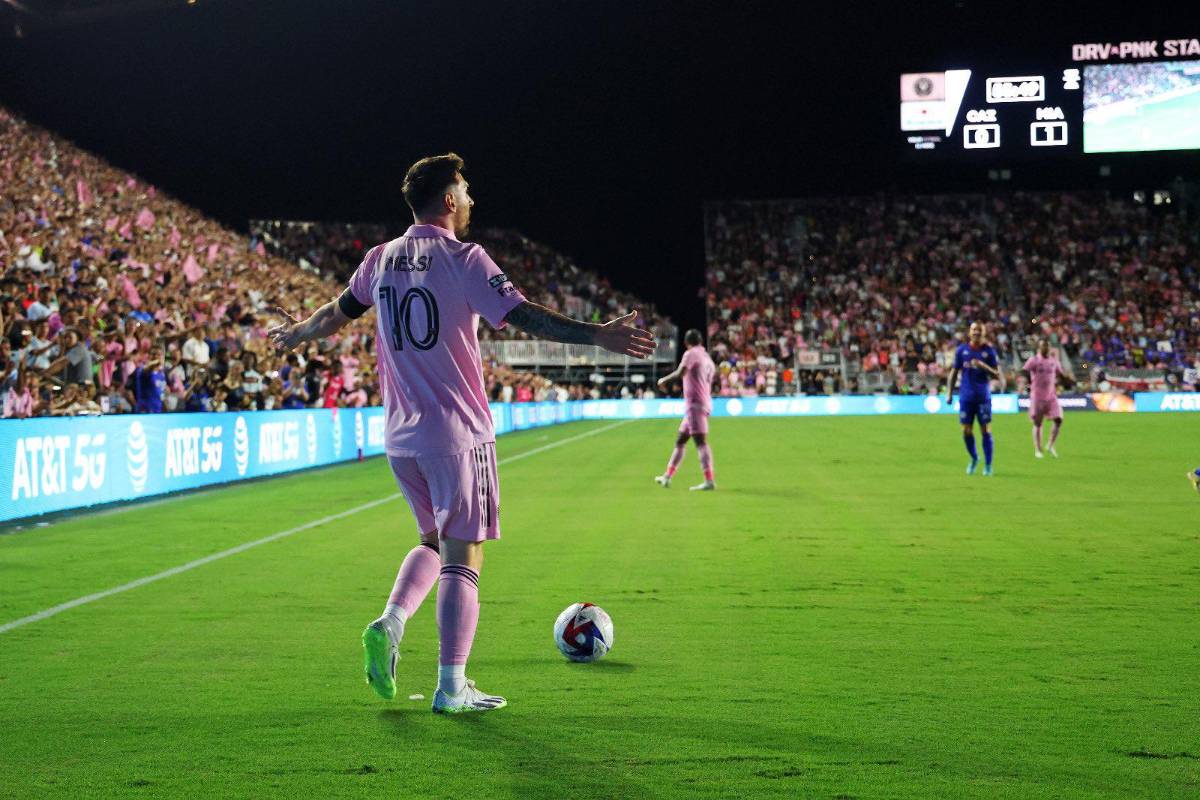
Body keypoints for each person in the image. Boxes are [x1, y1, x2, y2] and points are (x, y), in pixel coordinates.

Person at [268, 153, 654, 715]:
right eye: (466, 190)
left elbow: (336, 311)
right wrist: (597, 335)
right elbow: (523, 314)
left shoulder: (379, 259)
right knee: (463, 557)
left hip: (401, 438)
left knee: (432, 541)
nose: (471, 199)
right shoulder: (465, 257)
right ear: (449, 200)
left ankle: (390, 622)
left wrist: (299, 333)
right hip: (458, 434)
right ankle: (451, 687)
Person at [654, 329, 717, 490]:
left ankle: (709, 481)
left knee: (700, 442)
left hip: (695, 404)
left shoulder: (691, 354)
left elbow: (681, 372)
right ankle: (667, 477)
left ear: (686, 343)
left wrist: (664, 380)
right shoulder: (706, 357)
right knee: (680, 441)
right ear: (700, 341)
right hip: (701, 402)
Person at [945, 321, 1004, 476]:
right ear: (969, 332)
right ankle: (974, 458)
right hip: (966, 397)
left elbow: (997, 375)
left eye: (979, 330)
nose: (976, 332)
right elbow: (954, 372)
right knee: (966, 430)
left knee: (986, 430)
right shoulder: (961, 350)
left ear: (983, 333)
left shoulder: (989, 351)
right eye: (974, 330)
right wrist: (949, 393)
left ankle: (988, 465)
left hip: (983, 397)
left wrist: (983, 366)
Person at [1022, 338, 1073, 458]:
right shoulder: (1034, 360)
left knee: (1059, 419)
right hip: (1038, 396)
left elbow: (1060, 374)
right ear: (1039, 348)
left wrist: (1068, 380)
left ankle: (1050, 445)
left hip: (1051, 395)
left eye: (1047, 346)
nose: (1046, 348)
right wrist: (1026, 384)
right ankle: (1038, 450)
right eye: (1043, 345)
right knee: (1038, 423)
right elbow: (1023, 371)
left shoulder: (1054, 361)